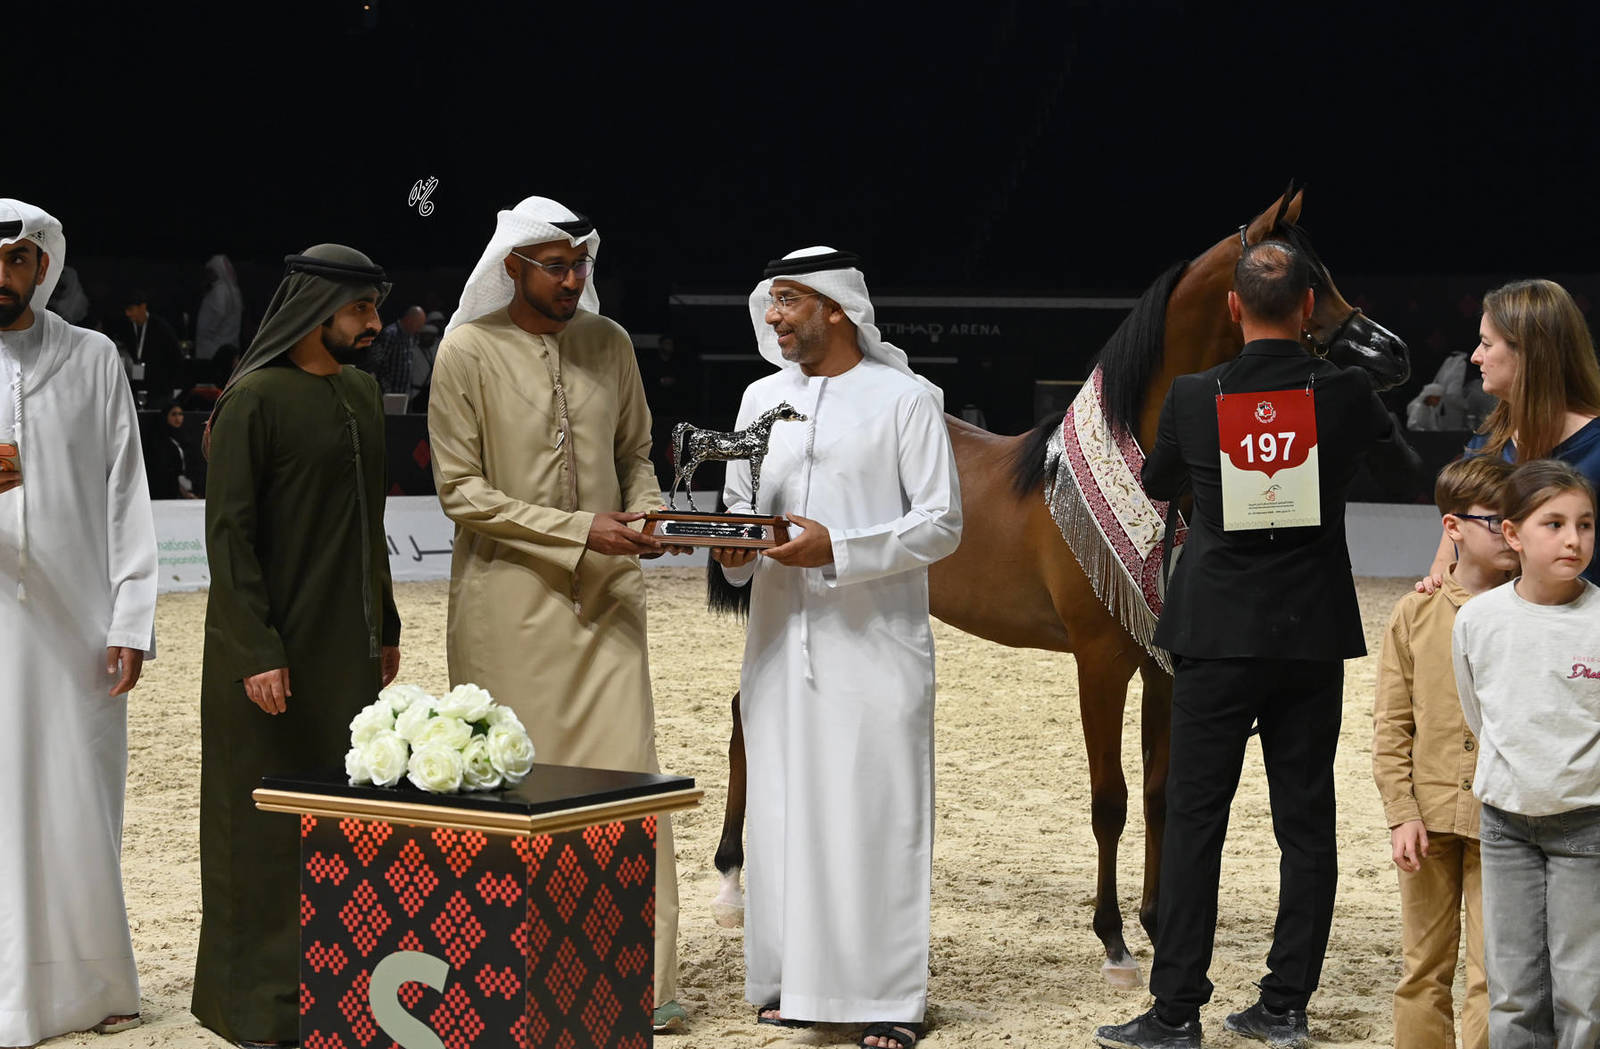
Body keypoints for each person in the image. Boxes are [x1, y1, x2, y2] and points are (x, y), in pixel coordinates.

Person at [1095, 238, 1420, 1049]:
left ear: (1234, 308)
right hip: (1309, 634)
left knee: (1197, 818)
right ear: (1310, 307)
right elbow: (1396, 464)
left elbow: (1157, 481)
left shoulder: (1195, 394)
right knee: (1305, 822)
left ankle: (1175, 1012)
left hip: (1217, 632)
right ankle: (1285, 1003)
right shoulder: (1344, 391)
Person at [426, 196, 689, 1032]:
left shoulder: (608, 345)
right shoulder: (466, 350)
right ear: (513, 268)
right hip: (508, 607)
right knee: (516, 786)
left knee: (623, 784)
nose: (574, 279)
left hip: (608, 602)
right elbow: (460, 493)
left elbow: (635, 454)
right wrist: (583, 529)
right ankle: (514, 970)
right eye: (557, 266)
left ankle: (638, 982)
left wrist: (646, 516)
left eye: (580, 264)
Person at [712, 247, 962, 1049]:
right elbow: (742, 511)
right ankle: (794, 980)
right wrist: (731, 549)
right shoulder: (758, 398)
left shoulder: (906, 399)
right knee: (782, 808)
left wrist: (840, 549)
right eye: (770, 302)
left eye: (787, 302)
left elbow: (940, 522)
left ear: (837, 309)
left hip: (876, 641)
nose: (773, 317)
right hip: (780, 640)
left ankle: (888, 997)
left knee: (875, 811)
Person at [193, 244, 402, 1048]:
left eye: (375, 309)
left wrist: (382, 627)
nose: (374, 326)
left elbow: (368, 527)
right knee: (263, 831)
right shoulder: (253, 400)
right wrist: (254, 649)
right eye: (361, 311)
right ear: (317, 310)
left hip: (345, 652)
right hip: (266, 659)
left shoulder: (357, 392)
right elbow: (230, 538)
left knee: (340, 821)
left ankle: (338, 993)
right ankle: (255, 1007)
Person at [0, 199, 157, 1046]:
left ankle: (95, 982)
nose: (1, 274)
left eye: (16, 259)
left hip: (80, 629)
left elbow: (126, 492)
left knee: (81, 800)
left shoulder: (93, 358)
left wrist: (131, 617)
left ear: (42, 266)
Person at [1452, 459, 1600, 1049]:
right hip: (1505, 826)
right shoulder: (1479, 620)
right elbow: (1479, 713)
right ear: (1513, 534)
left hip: (1587, 825)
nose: (1573, 539)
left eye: (1586, 525)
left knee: (1581, 991)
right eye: (1555, 524)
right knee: (1512, 988)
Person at [1373, 455, 1516, 1049]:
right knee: (1423, 970)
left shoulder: (1537, 614)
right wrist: (1401, 812)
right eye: (1497, 522)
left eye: (1519, 520)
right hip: (1429, 817)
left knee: (1496, 976)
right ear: (1453, 528)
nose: (1511, 533)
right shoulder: (1414, 614)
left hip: (1505, 821)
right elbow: (1392, 727)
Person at [1422, 279, 1600, 590]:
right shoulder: (1490, 437)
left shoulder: (1595, 446)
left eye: (1487, 344)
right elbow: (1455, 530)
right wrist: (1438, 586)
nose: (1476, 357)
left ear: (1530, 353)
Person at [113, 290, 184, 404]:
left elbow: (176, 358)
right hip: (133, 389)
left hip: (159, 390)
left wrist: (175, 386)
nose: (128, 314)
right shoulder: (124, 328)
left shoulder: (161, 328)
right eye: (126, 310)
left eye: (131, 309)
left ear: (143, 307)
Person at [364, 303, 425, 396]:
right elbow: (376, 363)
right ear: (409, 320)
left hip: (404, 393)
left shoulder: (411, 337)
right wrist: (385, 390)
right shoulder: (390, 334)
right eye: (418, 325)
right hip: (388, 393)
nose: (419, 329)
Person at [147, 399, 201, 498]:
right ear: (165, 417)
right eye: (174, 414)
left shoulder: (186, 438)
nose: (178, 418)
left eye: (180, 414)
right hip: (168, 493)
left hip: (189, 489)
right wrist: (183, 492)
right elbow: (164, 471)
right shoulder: (159, 440)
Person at [196, 253, 244, 363]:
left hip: (213, 349)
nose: (208, 274)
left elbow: (218, 314)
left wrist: (207, 332)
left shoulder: (220, 290)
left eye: (211, 271)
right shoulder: (234, 290)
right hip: (228, 345)